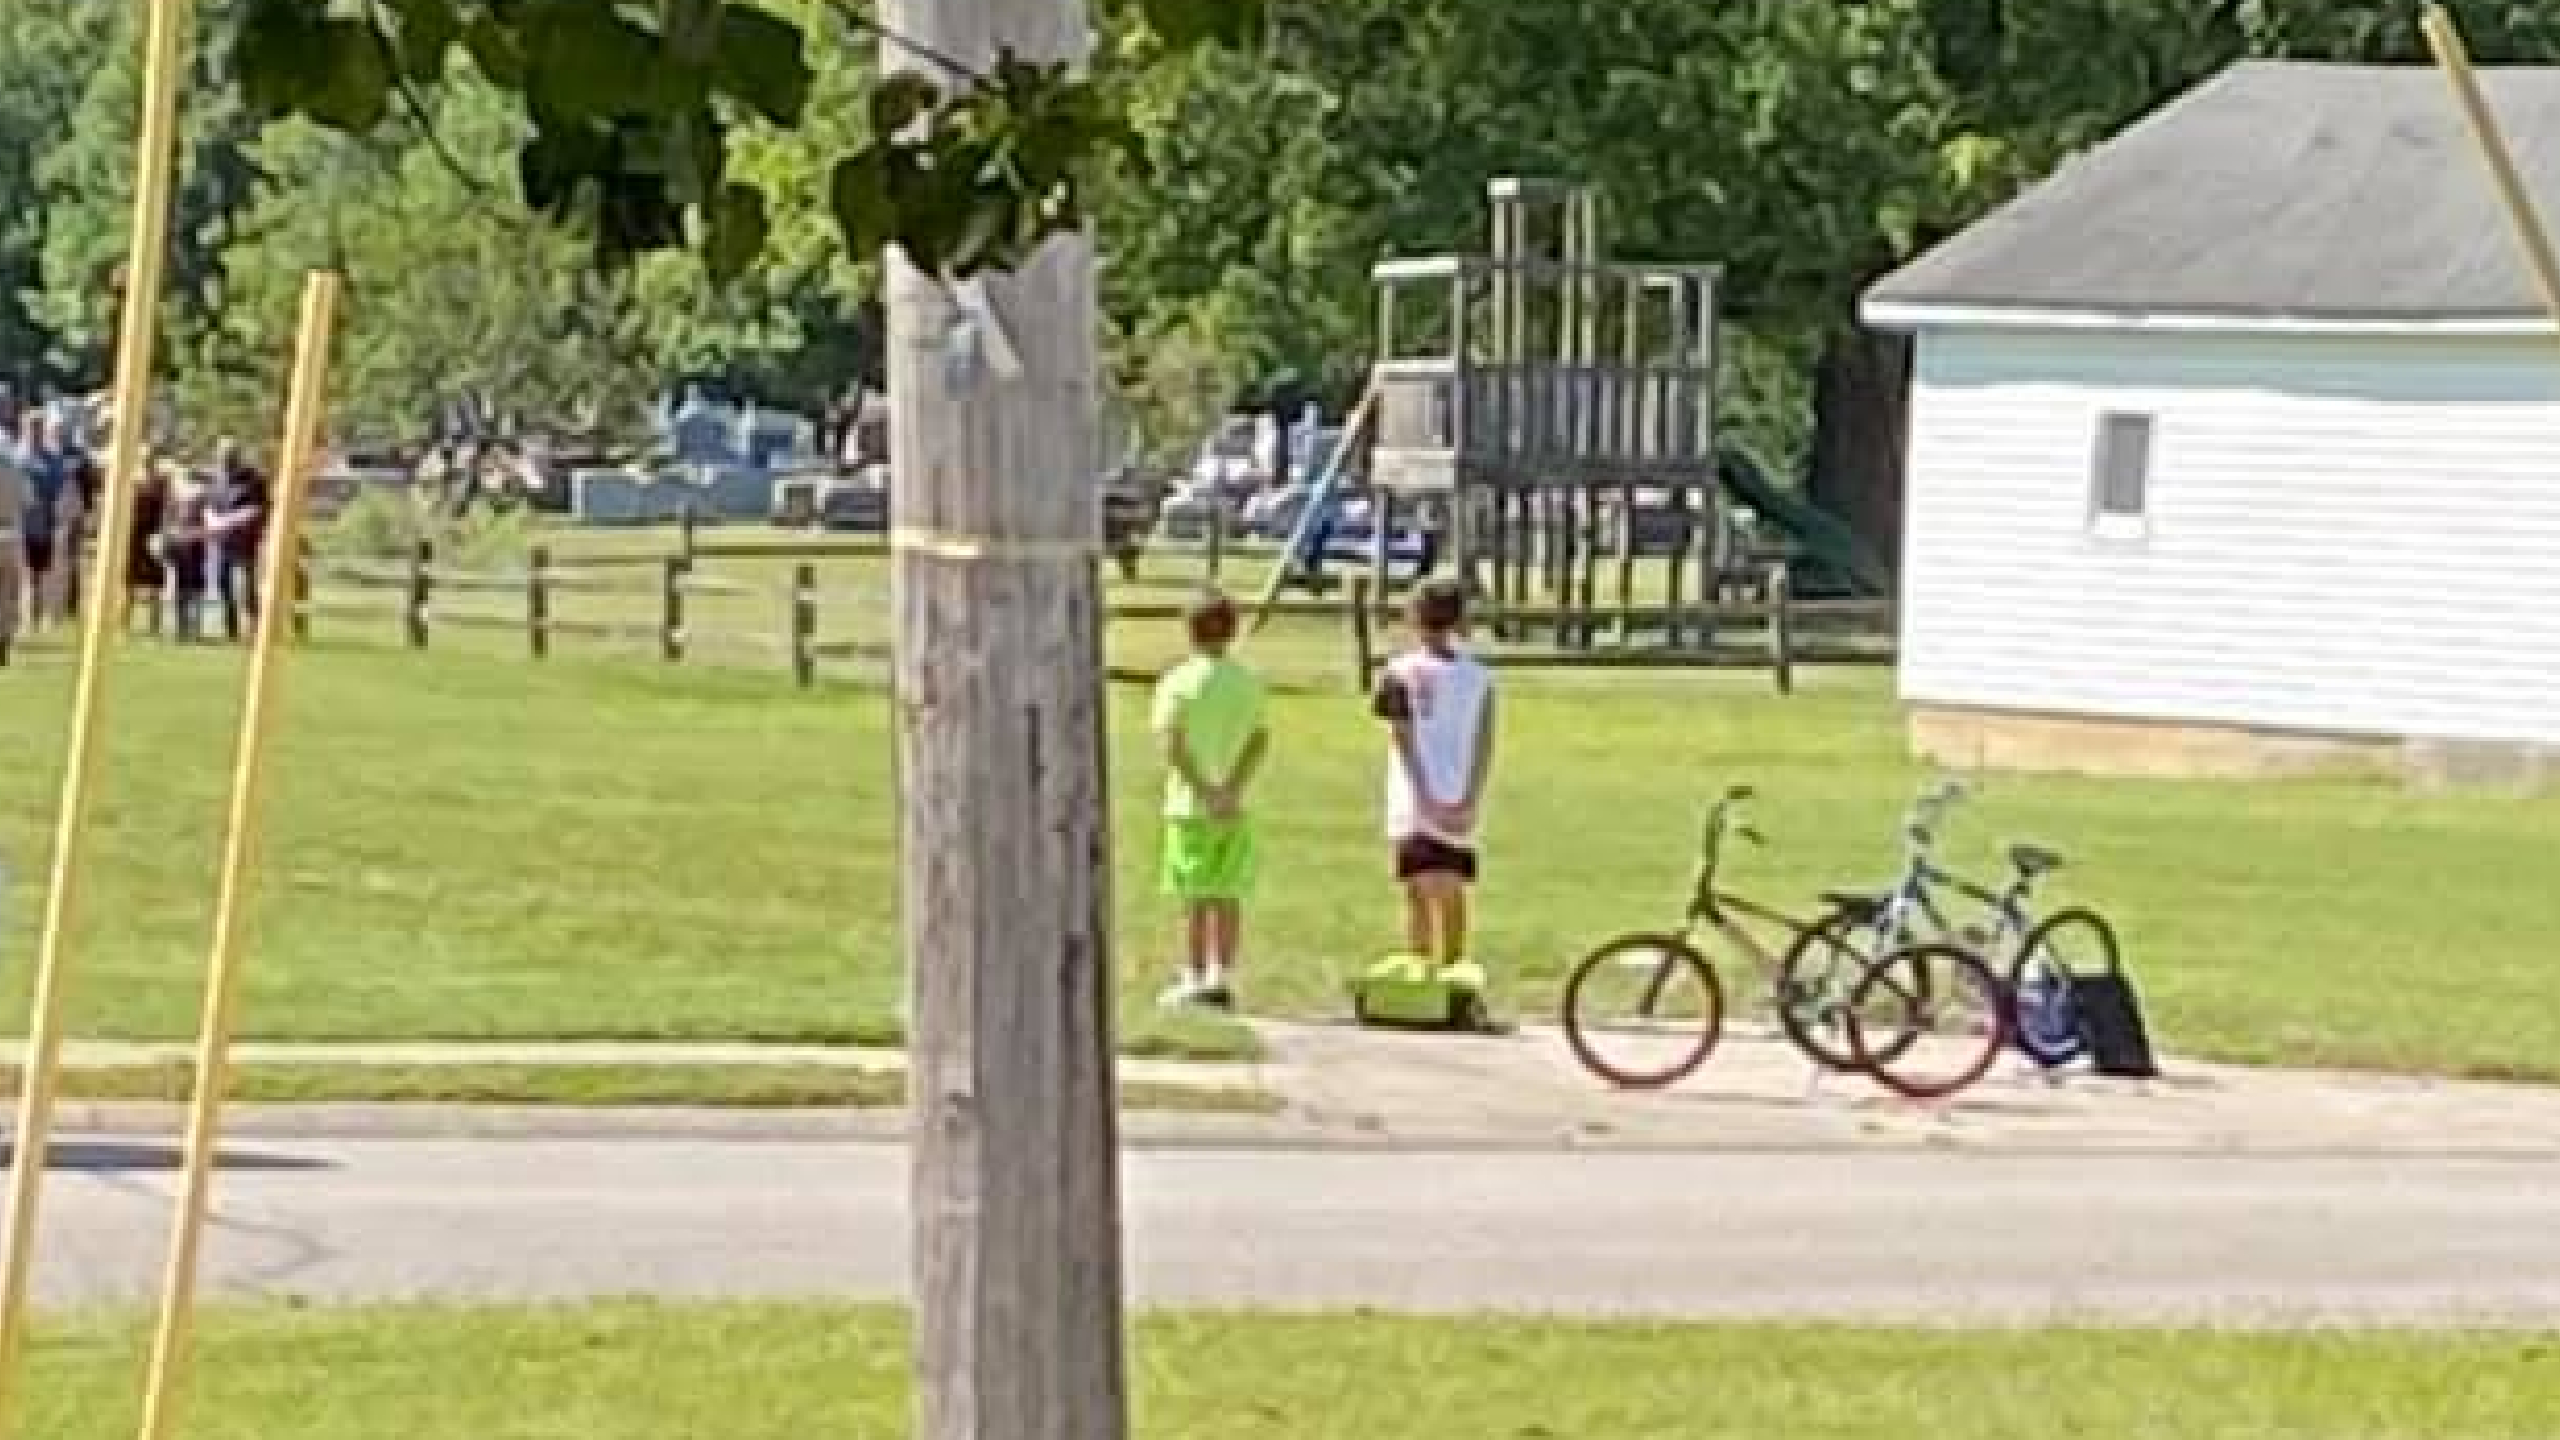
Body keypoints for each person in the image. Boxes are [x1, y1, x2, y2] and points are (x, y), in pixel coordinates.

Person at [1370, 577, 1498, 981]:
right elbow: (1484, 742)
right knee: (1451, 888)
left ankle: (1423, 970)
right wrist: (1471, 798)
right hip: (1459, 792)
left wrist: (1423, 798)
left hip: (1414, 797)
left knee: (1419, 889)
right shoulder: (1479, 678)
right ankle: (1453, 970)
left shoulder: (1399, 673)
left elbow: (1402, 737)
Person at [1148, 587, 1269, 1010]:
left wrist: (1202, 788)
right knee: (1227, 891)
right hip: (1234, 807)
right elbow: (1258, 738)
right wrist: (1232, 787)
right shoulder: (1246, 682)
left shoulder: (1178, 682)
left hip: (1188, 806)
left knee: (1194, 894)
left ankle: (1195, 973)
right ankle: (1223, 973)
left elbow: (1172, 742)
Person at [207, 440, 270, 641]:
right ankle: (231, 630)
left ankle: (255, 628)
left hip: (246, 540)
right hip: (222, 540)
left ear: (237, 456)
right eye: (221, 456)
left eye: (228, 456)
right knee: (222, 583)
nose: (224, 460)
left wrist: (229, 520)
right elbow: (210, 505)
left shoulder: (254, 479)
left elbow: (259, 509)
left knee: (247, 585)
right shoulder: (218, 480)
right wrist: (212, 520)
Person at [123, 459, 174, 635]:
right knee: (132, 583)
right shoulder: (140, 488)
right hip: (138, 539)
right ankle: (126, 624)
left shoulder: (157, 489)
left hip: (150, 539)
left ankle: (148, 626)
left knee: (153, 584)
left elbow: (167, 515)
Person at [0, 444, 30, 666]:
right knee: (7, 596)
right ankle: (3, 646)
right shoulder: (14, 469)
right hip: (10, 536)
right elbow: (28, 501)